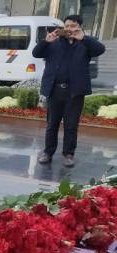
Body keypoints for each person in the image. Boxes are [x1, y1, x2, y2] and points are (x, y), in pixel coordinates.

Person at [34, 15, 105, 167]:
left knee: (71, 125)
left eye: (73, 26)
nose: (69, 29)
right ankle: (48, 152)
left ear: (79, 27)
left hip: (75, 92)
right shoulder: (54, 42)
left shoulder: (85, 43)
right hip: (55, 90)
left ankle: (68, 154)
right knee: (52, 124)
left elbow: (100, 50)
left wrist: (83, 38)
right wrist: (46, 41)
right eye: (66, 26)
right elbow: (36, 53)